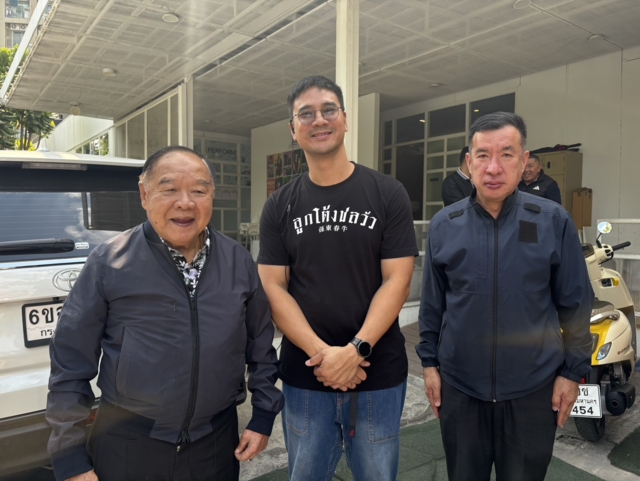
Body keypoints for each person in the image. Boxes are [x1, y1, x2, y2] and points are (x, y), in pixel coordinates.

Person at [46, 146, 284, 481]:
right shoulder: (109, 262)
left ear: (212, 196)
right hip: (128, 443)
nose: (185, 203)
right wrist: (69, 456)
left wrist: (262, 416)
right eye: (169, 189)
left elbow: (260, 344)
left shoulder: (238, 260)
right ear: (144, 195)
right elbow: (71, 360)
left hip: (215, 443)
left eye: (199, 191)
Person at [417, 112, 593, 481]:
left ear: (524, 161)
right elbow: (432, 305)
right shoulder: (445, 226)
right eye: (483, 155)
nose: (493, 167)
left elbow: (576, 304)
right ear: (469, 162)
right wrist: (430, 365)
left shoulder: (553, 221)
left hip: (533, 390)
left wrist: (571, 374)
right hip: (461, 389)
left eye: (507, 154)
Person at [257, 75, 418, 481]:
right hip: (306, 376)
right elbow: (273, 287)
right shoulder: (279, 205)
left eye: (328, 110)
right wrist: (324, 357)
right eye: (306, 114)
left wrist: (355, 350)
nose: (319, 120)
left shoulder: (388, 193)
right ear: (293, 129)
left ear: (345, 120)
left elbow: (397, 281)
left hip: (377, 374)